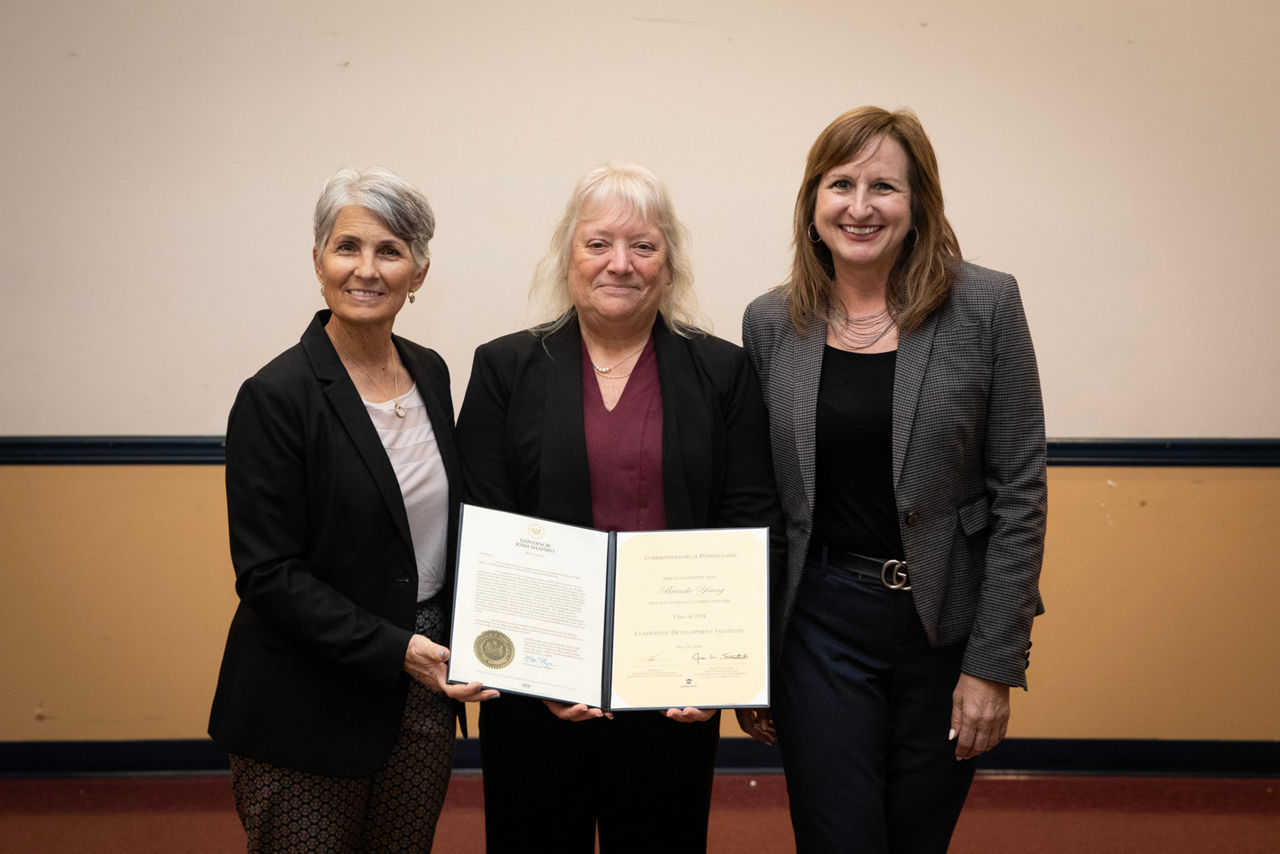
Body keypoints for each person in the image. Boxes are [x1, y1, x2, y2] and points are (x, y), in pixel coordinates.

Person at [739, 106, 1048, 853]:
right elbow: (760, 506)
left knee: (916, 839)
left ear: (919, 206)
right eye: (839, 184)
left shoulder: (985, 305)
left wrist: (992, 666)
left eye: (885, 186)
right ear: (813, 204)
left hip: (943, 629)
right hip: (820, 626)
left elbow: (1020, 493)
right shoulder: (771, 323)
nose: (860, 205)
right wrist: (747, 661)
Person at [455, 162, 779, 853]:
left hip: (672, 692)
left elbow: (750, 523)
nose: (620, 264)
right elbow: (484, 521)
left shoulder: (723, 373)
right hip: (533, 694)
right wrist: (536, 673)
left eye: (643, 245)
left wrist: (720, 667)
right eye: (598, 243)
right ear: (567, 255)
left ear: (669, 263)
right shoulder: (505, 369)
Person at [208, 166, 497, 851]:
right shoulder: (276, 395)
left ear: (418, 273)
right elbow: (269, 574)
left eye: (390, 251)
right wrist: (397, 650)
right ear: (317, 261)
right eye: (347, 247)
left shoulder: (430, 371)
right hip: (307, 700)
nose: (366, 270)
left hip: (423, 690)